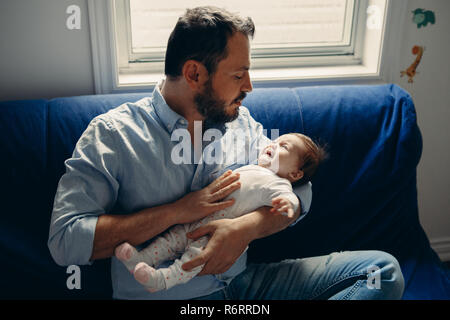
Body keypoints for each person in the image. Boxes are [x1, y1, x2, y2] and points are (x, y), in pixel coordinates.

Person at [48, 6, 404, 300]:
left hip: (241, 287)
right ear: (194, 73)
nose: (249, 87)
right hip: (169, 295)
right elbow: (65, 241)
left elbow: (299, 190)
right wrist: (177, 211)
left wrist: (245, 229)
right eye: (238, 75)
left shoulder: (239, 122)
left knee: (380, 273)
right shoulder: (113, 135)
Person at [114, 133, 324, 292]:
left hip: (216, 234)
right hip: (199, 219)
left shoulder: (278, 183)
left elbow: (294, 198)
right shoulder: (257, 165)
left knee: (195, 258)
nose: (272, 144)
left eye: (283, 146)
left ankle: (160, 280)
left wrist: (287, 205)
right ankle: (142, 258)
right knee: (171, 239)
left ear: (295, 173)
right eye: (275, 141)